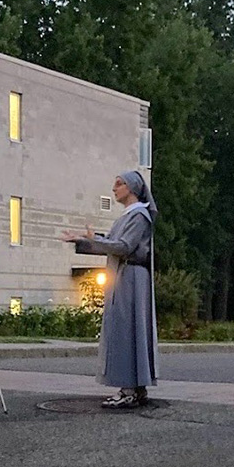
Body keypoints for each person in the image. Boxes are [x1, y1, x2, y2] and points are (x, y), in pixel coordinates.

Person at [62, 170, 159, 409]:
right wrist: (88, 240)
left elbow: (124, 246)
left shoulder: (138, 215)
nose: (114, 188)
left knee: (126, 329)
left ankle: (129, 389)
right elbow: (114, 244)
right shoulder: (128, 216)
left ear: (132, 188)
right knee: (129, 329)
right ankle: (135, 388)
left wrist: (92, 241)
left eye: (119, 184)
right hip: (125, 275)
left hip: (131, 276)